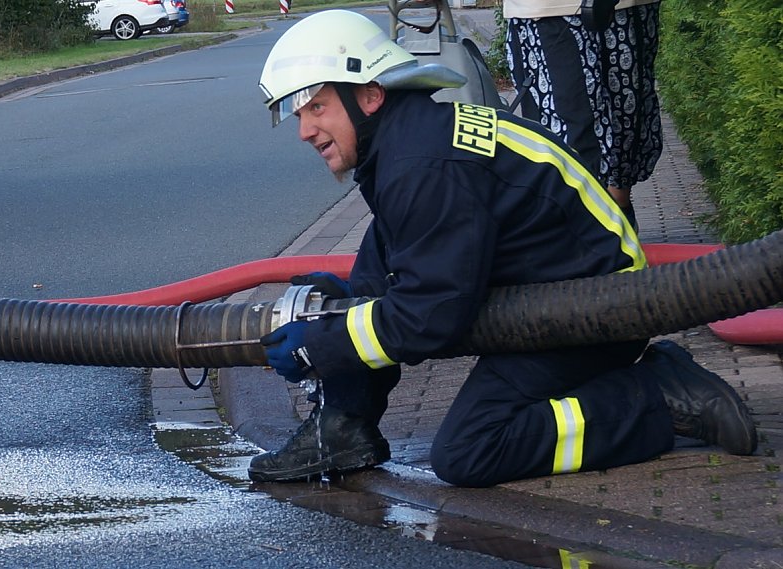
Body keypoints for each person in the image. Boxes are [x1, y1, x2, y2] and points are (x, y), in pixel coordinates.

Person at [249, 10, 756, 487]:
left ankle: (657, 397)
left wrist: (323, 346)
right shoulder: (409, 146)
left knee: (470, 452)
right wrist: (345, 310)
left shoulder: (424, 167)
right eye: (298, 113)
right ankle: (344, 429)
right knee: (367, 271)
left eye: (317, 107)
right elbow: (407, 283)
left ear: (371, 95)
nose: (304, 130)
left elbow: (433, 315)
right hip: (547, 291)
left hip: (591, 315)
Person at [504, 0, 663, 228]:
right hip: (545, 10)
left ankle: (617, 210)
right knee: (570, 119)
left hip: (625, 5)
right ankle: (583, 226)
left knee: (627, 114)